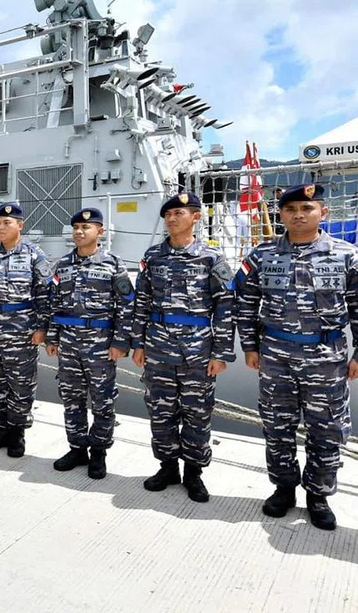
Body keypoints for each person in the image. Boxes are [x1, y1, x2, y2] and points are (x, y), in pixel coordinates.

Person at [235, 183, 358, 531]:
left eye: (307, 208)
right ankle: (284, 488)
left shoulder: (347, 255)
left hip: (327, 356)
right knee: (277, 426)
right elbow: (244, 302)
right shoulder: (261, 256)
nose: (299, 215)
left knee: (327, 428)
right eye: (291, 210)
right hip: (276, 355)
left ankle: (318, 495)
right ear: (281, 215)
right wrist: (250, 346)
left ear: (323, 212)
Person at [131, 192, 235, 503]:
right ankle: (167, 467)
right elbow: (141, 303)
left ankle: (194, 472)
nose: (172, 219)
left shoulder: (212, 258)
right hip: (158, 349)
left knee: (197, 412)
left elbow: (225, 306)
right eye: (168, 214)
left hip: (198, 350)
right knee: (161, 411)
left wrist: (221, 353)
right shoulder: (152, 257)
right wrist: (138, 343)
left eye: (179, 213)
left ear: (196, 217)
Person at [45, 208, 134, 479]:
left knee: (103, 400)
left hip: (100, 345)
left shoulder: (113, 264)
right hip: (69, 343)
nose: (79, 232)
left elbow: (126, 305)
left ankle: (99, 452)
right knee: (71, 398)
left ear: (100, 232)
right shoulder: (62, 266)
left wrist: (120, 342)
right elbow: (53, 304)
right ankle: (77, 448)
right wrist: (52, 336)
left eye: (86, 227)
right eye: (76, 228)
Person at [0, 203, 51, 458]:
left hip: (21, 331)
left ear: (20, 225)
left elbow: (45, 294)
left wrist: (42, 326)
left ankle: (17, 433)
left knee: (21, 384)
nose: (1, 228)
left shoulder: (35, 255)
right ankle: (0, 428)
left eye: (7, 223)